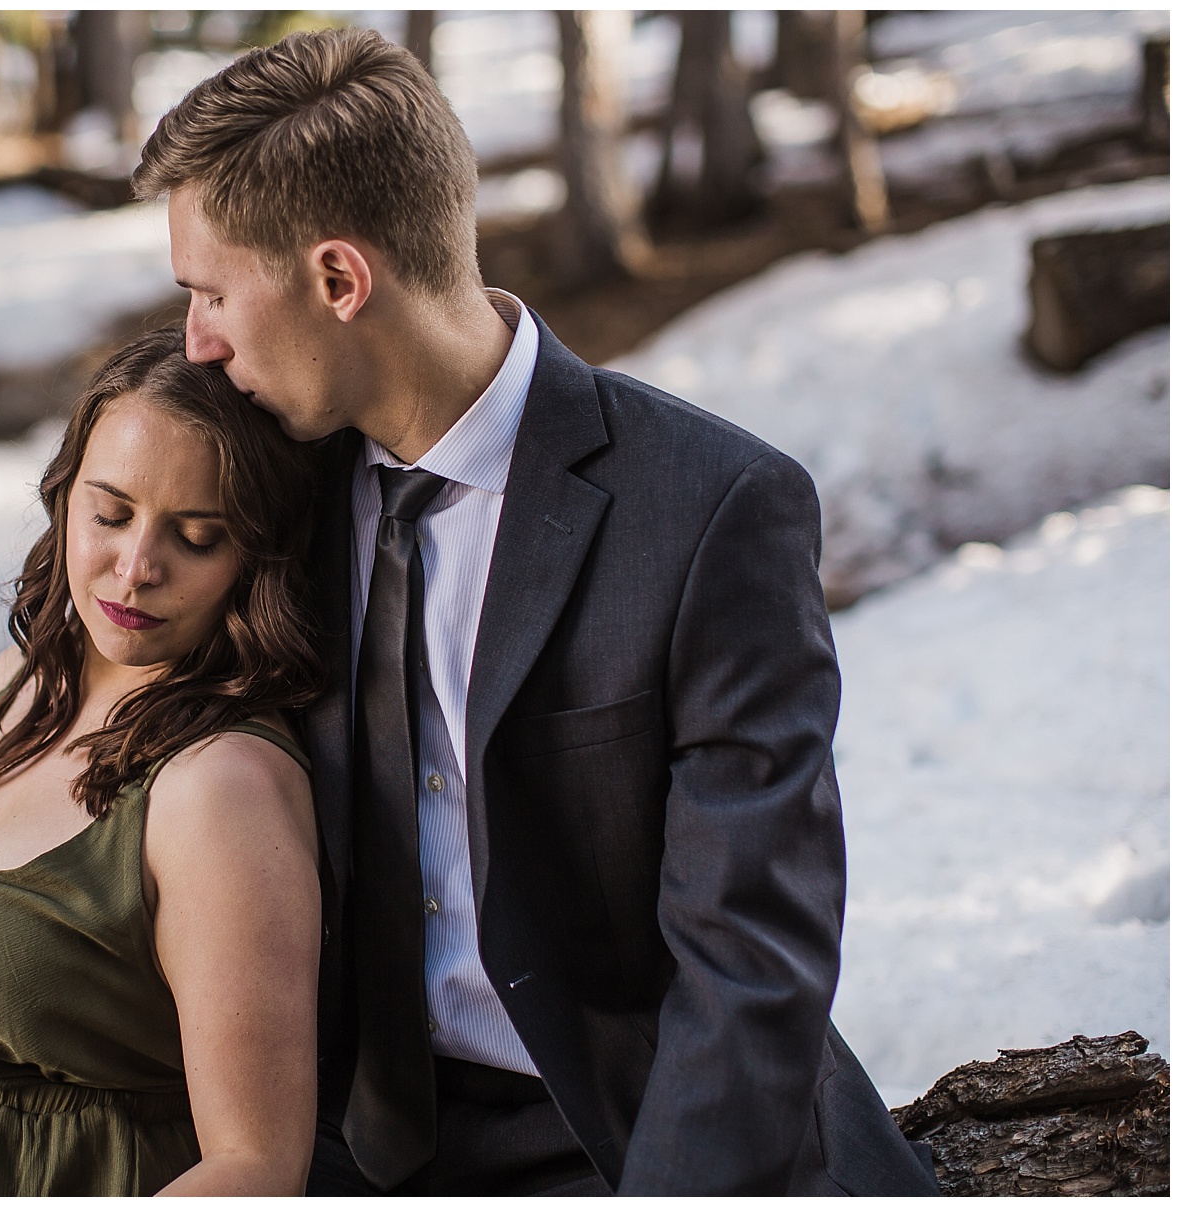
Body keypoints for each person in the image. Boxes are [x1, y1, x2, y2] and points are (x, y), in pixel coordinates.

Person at [133, 26, 941, 1197]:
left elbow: (751, 952)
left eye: (210, 294)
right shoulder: (269, 488)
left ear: (340, 279)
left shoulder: (711, 507)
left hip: (636, 1132)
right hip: (340, 1146)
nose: (197, 344)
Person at [0, 328, 324, 1196]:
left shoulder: (219, 787)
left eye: (198, 537)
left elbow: (255, 1166)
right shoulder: (17, 688)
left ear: (255, 561)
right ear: (64, 497)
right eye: (111, 513)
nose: (136, 569)